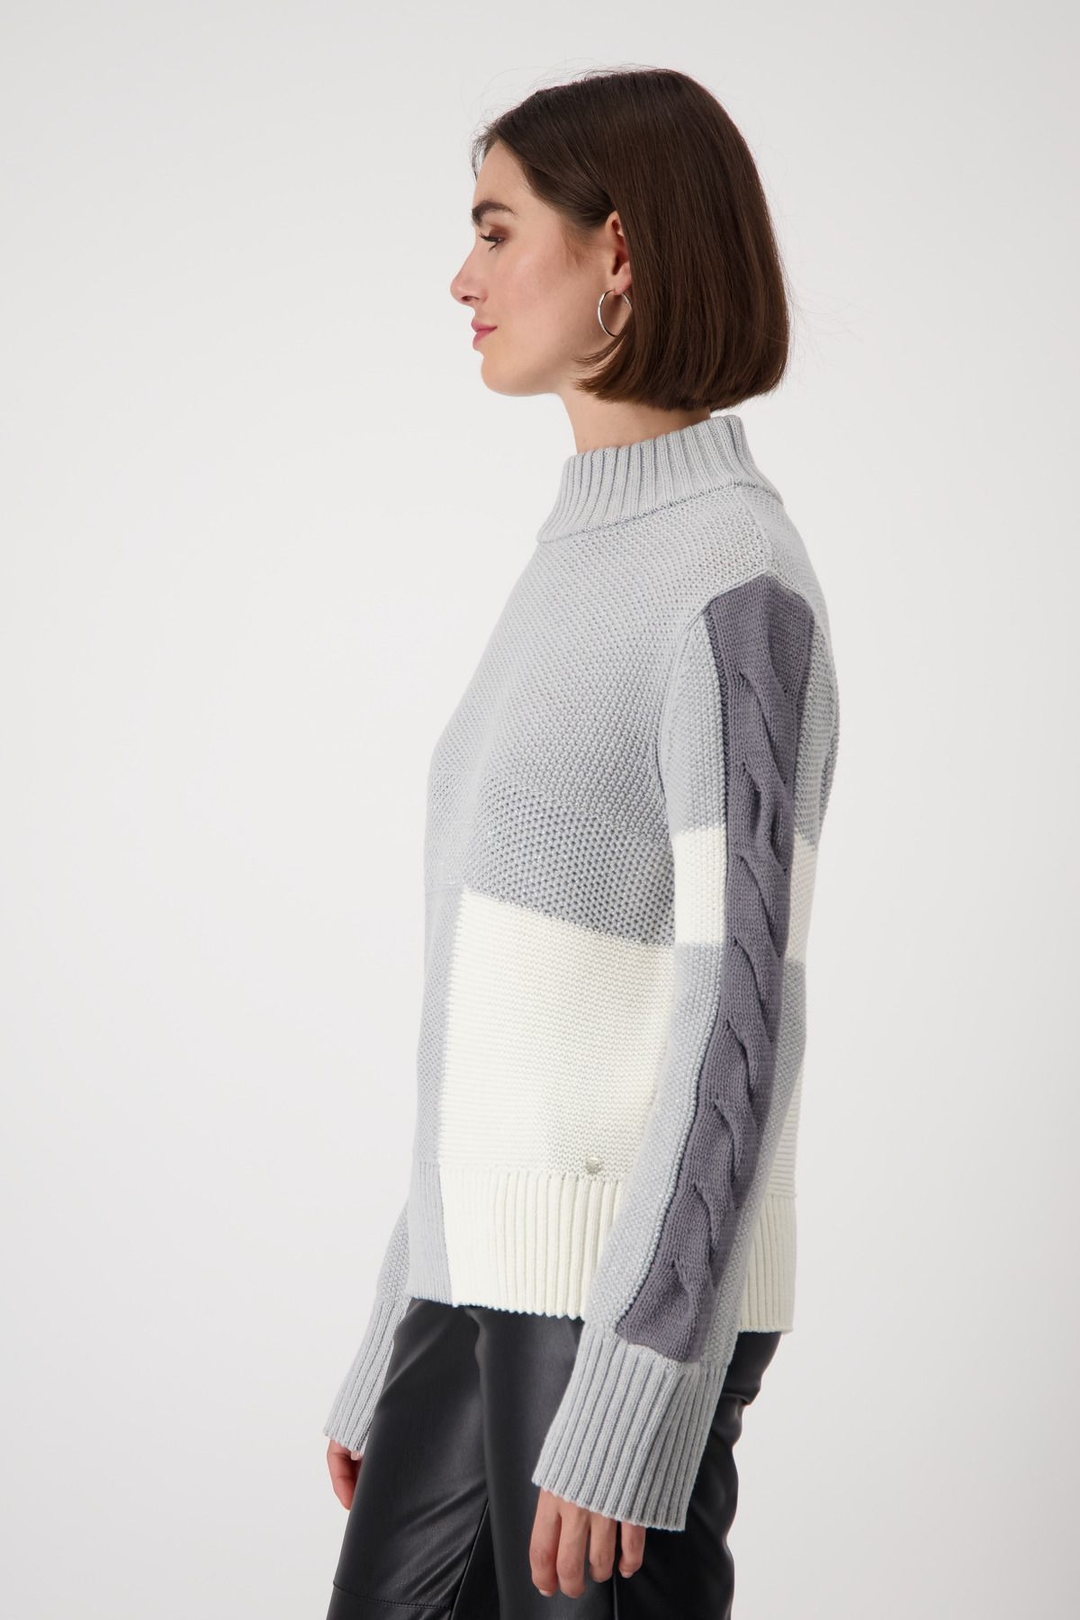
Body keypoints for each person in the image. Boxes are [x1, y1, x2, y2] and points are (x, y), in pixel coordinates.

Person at [321, 65, 841, 1619]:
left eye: (496, 228)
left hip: (615, 1307)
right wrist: (401, 1320)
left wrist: (640, 1379)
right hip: (480, 1292)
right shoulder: (583, 546)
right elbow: (499, 1015)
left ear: (618, 248)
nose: (462, 276)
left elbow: (741, 1011)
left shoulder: (732, 574)